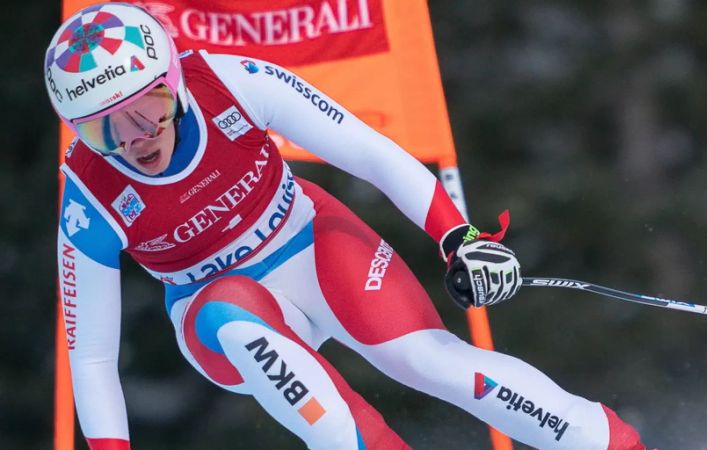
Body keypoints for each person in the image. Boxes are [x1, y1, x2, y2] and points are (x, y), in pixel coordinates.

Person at [48, 3, 645, 449]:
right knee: (327, 419)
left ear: (173, 83)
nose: (132, 137)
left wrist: (458, 237)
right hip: (218, 310)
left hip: (311, 243)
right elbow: (93, 357)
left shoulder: (232, 82)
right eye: (102, 128)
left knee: (438, 365)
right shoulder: (89, 194)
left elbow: (371, 153)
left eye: (144, 107)